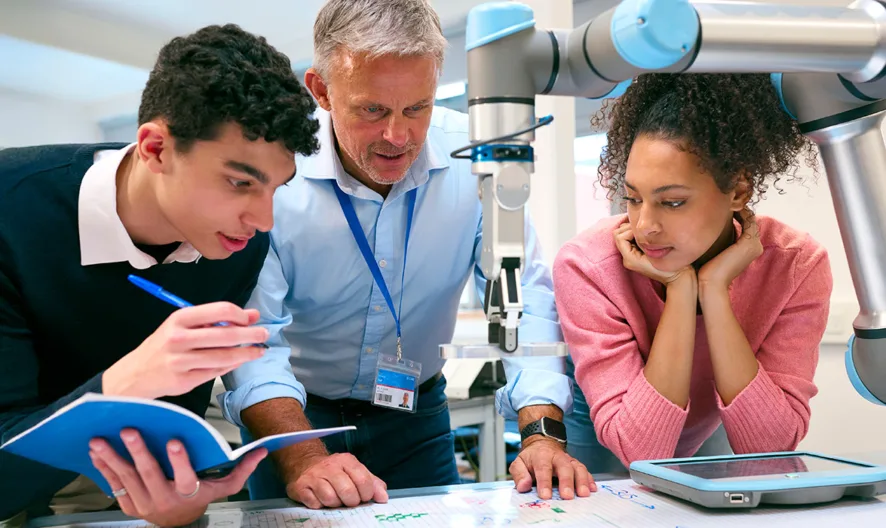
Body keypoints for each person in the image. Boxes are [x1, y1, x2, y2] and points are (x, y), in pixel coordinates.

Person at [221, 0, 593, 509]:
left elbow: (520, 297)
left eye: (416, 107)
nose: (398, 136)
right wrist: (304, 456)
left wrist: (542, 433)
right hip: (296, 416)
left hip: (416, 413)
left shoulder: (477, 156)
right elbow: (256, 336)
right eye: (372, 110)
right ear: (322, 91)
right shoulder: (275, 175)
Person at [0, 24, 319, 527]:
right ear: (155, 148)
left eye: (276, 188)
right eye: (240, 182)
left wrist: (186, 494)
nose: (264, 221)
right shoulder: (9, 212)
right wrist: (130, 380)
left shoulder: (237, 244)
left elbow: (175, 439)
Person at [554, 73, 832, 472]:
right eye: (633, 198)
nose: (645, 225)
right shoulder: (588, 267)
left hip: (714, 409)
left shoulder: (796, 265)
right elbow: (639, 449)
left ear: (737, 192)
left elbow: (770, 449)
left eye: (672, 202)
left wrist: (714, 289)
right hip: (613, 421)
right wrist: (681, 290)